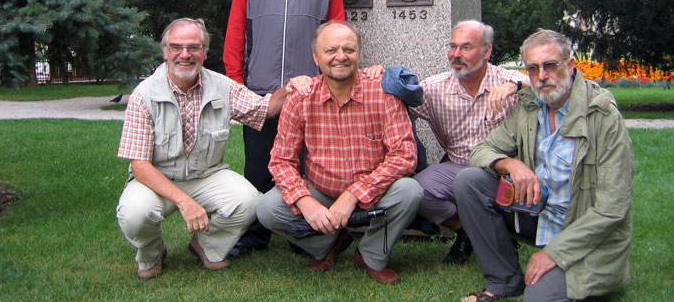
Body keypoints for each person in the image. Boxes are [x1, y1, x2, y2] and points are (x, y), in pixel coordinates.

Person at [115, 18, 309, 280]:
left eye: (194, 47)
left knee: (250, 201)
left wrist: (289, 88)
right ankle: (151, 254)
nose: (185, 55)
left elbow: (265, 110)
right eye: (177, 47)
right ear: (165, 52)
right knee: (135, 213)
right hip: (156, 178)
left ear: (205, 53)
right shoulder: (144, 95)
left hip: (207, 175)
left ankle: (206, 246)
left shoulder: (222, 86)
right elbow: (139, 166)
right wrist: (185, 202)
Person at [455, 29, 634, 302]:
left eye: (550, 65)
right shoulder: (529, 108)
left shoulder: (602, 116)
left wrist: (552, 254)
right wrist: (512, 164)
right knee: (469, 182)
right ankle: (504, 280)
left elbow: (613, 209)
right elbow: (482, 151)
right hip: (539, 215)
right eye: (533, 68)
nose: (542, 75)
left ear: (570, 65)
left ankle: (570, 273)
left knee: (539, 298)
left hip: (581, 231)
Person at [223, 0, 346, 256]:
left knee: (309, 169)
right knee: (259, 169)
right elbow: (235, 31)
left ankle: (302, 235)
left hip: (310, 94)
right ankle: (254, 236)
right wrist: (237, 84)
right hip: (262, 93)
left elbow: (336, 33)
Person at [256, 21, 423, 284]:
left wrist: (354, 194)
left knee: (410, 191)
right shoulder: (301, 98)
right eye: (331, 50)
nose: (341, 57)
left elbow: (404, 156)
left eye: (349, 49)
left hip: (373, 193)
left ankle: (370, 255)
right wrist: (305, 202)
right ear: (316, 57)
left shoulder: (384, 93)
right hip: (321, 191)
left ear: (359, 53)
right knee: (267, 208)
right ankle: (328, 244)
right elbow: (280, 161)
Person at [407, 20, 528, 265]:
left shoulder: (506, 80)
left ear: (486, 51)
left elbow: (542, 82)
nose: (456, 55)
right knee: (418, 191)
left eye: (466, 47)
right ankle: (468, 232)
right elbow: (396, 105)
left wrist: (513, 86)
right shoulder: (434, 88)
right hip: (458, 167)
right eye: (453, 47)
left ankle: (501, 234)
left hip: (503, 172)